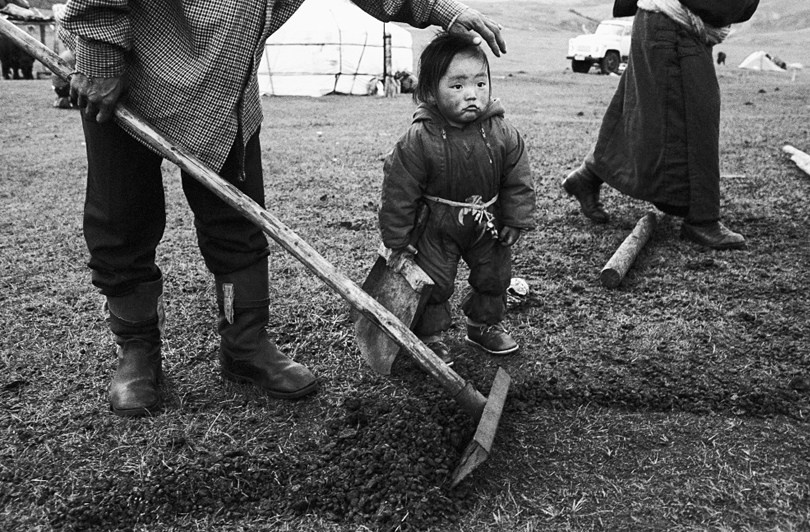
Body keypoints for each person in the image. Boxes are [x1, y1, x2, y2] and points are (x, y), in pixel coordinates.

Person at [56, 0, 507, 417]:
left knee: (237, 223)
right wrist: (99, 55)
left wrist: (437, 8)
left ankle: (244, 344)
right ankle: (137, 350)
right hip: (125, 73)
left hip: (223, 91)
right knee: (122, 219)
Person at [379, 33, 535, 360]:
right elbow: (399, 190)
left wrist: (516, 217)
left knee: (495, 275)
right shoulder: (419, 139)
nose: (471, 95)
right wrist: (397, 239)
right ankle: (431, 334)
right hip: (437, 224)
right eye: (458, 86)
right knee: (433, 281)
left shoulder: (502, 132)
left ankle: (484, 326)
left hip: (487, 222)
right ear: (430, 92)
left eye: (480, 84)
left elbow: (517, 178)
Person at [562, 0, 759, 250]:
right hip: (671, 22)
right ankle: (702, 219)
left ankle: (587, 177)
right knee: (695, 117)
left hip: (661, 19)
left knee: (643, 109)